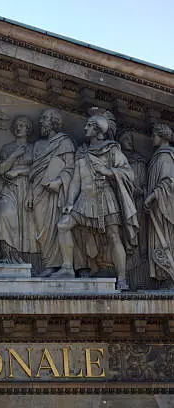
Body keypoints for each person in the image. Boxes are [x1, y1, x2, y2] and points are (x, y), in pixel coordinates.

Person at [57, 109, 137, 290]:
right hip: (84, 200)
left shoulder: (111, 150)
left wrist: (109, 172)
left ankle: (122, 278)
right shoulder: (82, 152)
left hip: (105, 198)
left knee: (114, 235)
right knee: (63, 225)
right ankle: (68, 267)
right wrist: (69, 202)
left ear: (99, 131)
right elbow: (76, 180)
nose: (85, 128)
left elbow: (129, 174)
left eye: (89, 125)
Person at [27, 109, 75, 277]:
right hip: (38, 190)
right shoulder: (38, 145)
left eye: (45, 118)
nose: (41, 122)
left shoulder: (65, 142)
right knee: (41, 228)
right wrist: (28, 194)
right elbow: (31, 172)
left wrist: (59, 181)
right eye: (41, 119)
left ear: (54, 122)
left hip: (57, 192)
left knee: (57, 226)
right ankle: (48, 263)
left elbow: (70, 167)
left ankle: (62, 264)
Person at [0, 116, 39, 266]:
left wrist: (20, 170)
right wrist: (14, 155)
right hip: (10, 188)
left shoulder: (35, 148)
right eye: (17, 125)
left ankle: (28, 261)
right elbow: (1, 169)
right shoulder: (7, 148)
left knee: (29, 225)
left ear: (28, 129)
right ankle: (8, 256)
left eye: (22, 125)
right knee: (4, 215)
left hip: (29, 189)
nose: (19, 128)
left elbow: (40, 169)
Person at [119, 130, 150, 289]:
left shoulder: (140, 161)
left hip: (138, 205)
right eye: (125, 138)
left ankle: (140, 275)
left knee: (140, 237)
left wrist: (142, 192)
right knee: (125, 237)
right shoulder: (118, 160)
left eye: (130, 139)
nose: (129, 141)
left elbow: (146, 185)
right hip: (123, 205)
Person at [145, 123, 174, 287]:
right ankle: (165, 277)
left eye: (153, 135)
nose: (151, 138)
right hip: (158, 208)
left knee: (167, 241)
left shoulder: (165, 157)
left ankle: (170, 277)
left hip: (165, 209)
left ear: (161, 136)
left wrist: (150, 198)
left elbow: (168, 183)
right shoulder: (159, 156)